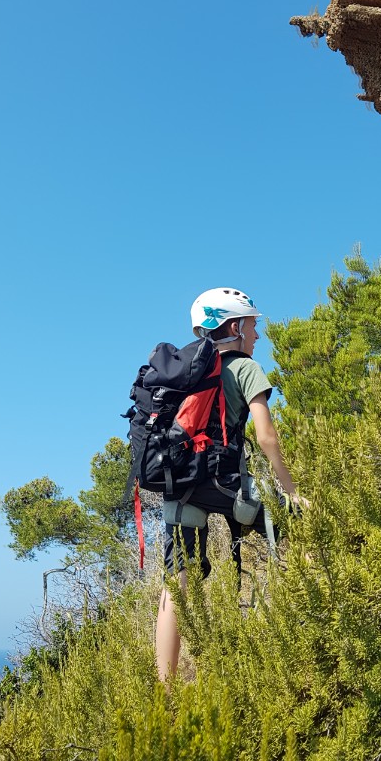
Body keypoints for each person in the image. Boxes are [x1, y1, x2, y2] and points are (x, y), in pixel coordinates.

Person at [155, 289, 306, 683]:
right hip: (223, 481)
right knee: (303, 529)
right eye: (253, 326)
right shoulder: (243, 367)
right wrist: (290, 493)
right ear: (235, 326)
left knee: (176, 588)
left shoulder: (185, 371)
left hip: (178, 483)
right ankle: (316, 641)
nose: (258, 336)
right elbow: (266, 436)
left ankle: (163, 698)